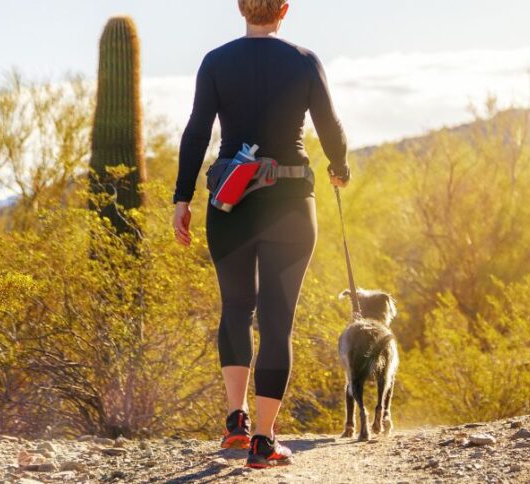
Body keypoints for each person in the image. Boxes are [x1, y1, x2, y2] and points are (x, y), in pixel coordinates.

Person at [171, 0, 350, 469]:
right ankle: (264, 443)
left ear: (240, 7)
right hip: (290, 203)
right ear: (284, 9)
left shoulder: (215, 61)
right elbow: (329, 126)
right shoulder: (304, 61)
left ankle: (236, 424)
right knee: (276, 320)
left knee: (235, 308)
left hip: (229, 203)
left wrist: (182, 198)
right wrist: (340, 167)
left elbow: (196, 132)